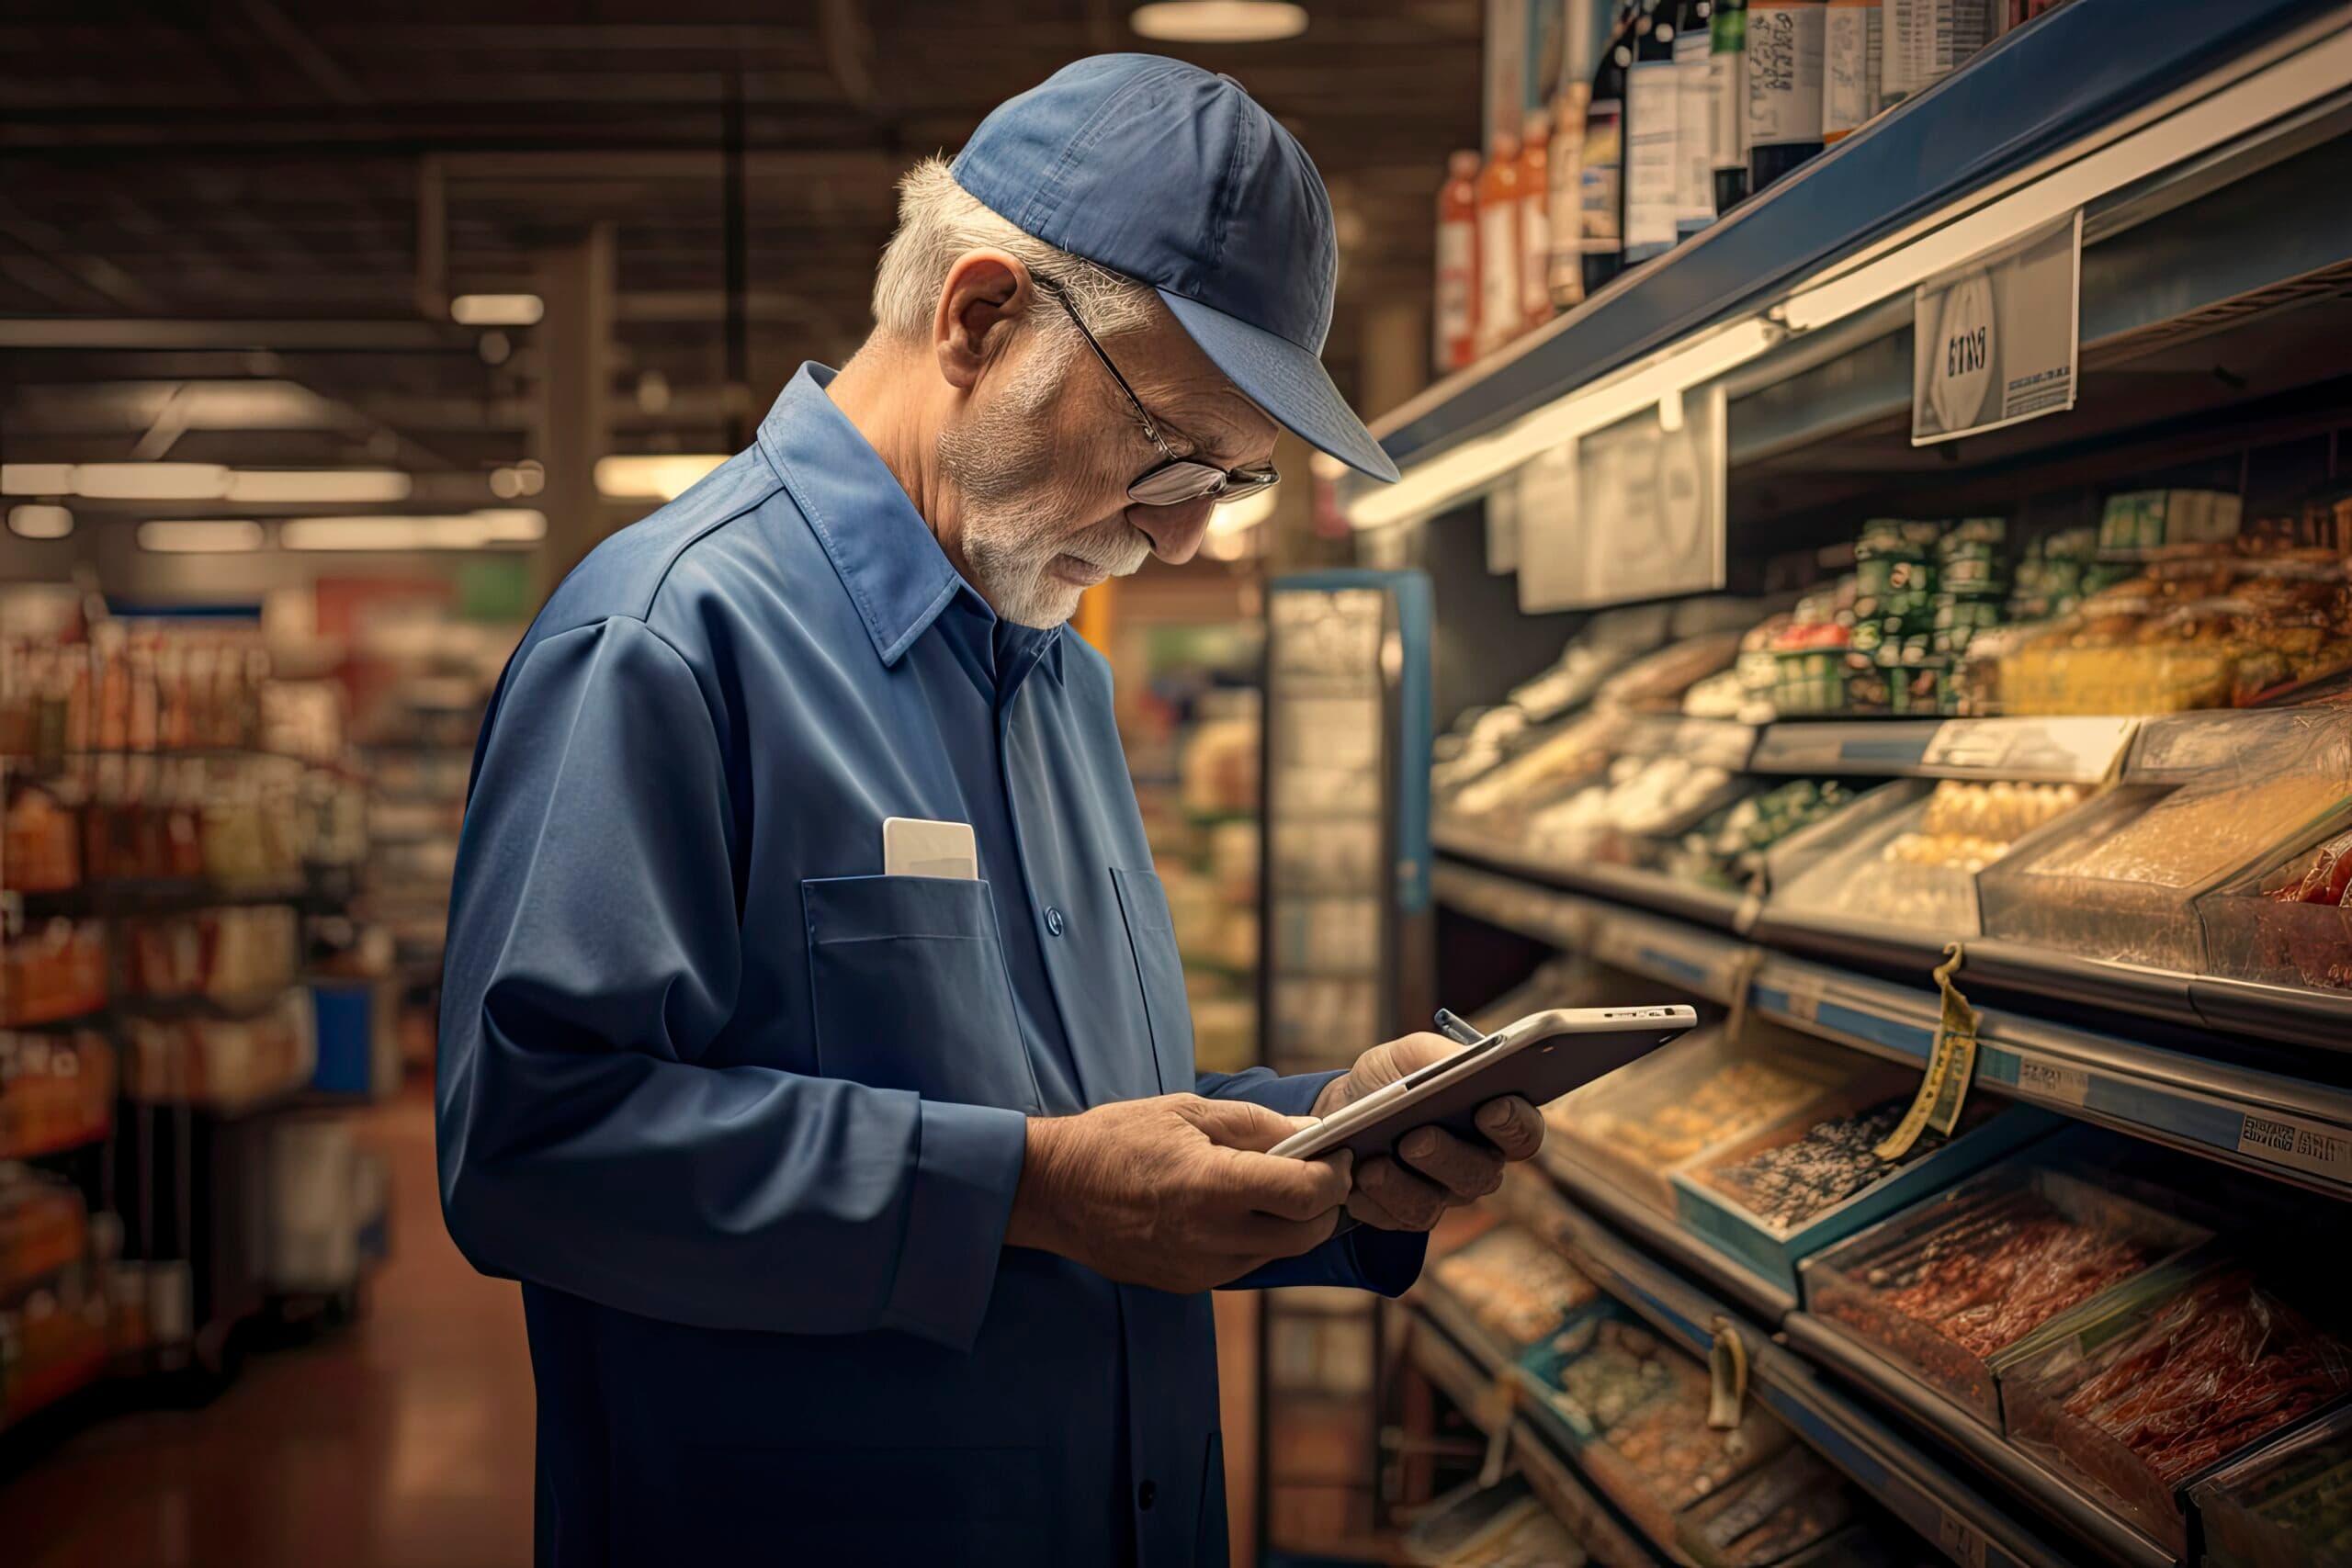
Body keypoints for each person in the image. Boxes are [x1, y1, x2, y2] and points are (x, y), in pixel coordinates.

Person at [436, 54, 1545, 1567]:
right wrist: (1025, 1193)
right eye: (1169, 455)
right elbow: (528, 1147)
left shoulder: (1047, 668)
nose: (1180, 534)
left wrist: (1327, 1143)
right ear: (979, 317)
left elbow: (1068, 1107)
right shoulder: (666, 643)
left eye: (1230, 480)